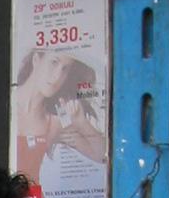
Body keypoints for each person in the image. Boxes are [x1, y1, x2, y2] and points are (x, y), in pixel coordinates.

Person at [13, 48, 104, 189]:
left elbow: (101, 155)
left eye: (65, 69)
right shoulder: (3, 103)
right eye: (54, 62)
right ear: (36, 60)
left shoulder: (55, 122)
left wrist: (81, 122)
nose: (57, 76)